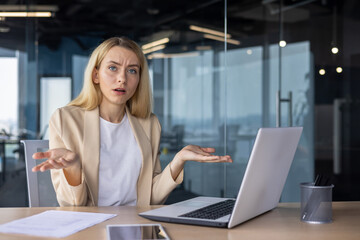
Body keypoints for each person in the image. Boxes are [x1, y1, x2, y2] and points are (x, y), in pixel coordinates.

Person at [32, 37, 232, 207]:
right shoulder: (65, 119)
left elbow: (150, 198)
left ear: (139, 80)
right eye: (113, 68)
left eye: (132, 71)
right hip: (91, 231)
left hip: (137, 229)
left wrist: (178, 161)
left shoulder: (149, 124)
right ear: (95, 75)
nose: (122, 79)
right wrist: (74, 169)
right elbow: (72, 207)